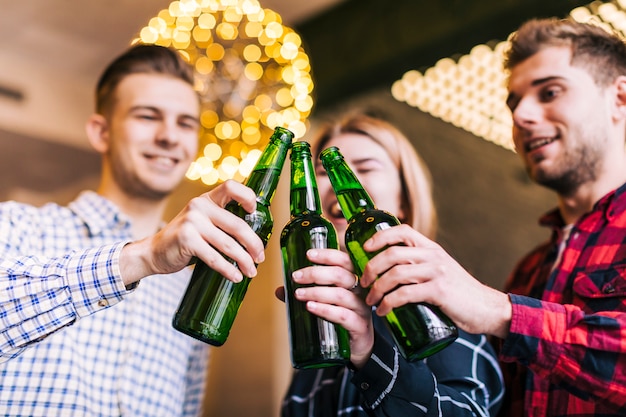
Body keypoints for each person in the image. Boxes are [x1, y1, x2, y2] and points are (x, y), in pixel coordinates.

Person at [355, 18, 626, 416]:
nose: (520, 116)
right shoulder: (528, 272)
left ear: (619, 97)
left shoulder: (504, 301)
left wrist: (500, 311)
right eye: (513, 103)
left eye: (549, 92)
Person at [0, 44, 265, 416]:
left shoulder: (193, 278)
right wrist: (143, 256)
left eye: (185, 123)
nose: (170, 137)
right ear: (101, 132)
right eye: (147, 116)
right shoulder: (17, 226)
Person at [279, 113, 504, 416]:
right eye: (321, 171)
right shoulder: (319, 341)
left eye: (366, 167)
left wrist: (371, 355)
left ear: (404, 203)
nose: (338, 178)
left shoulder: (443, 307)